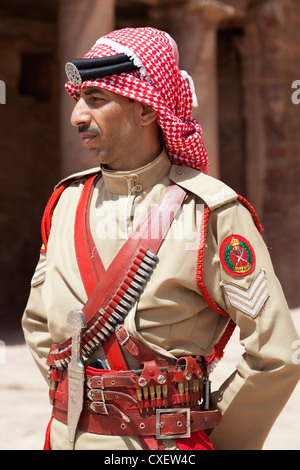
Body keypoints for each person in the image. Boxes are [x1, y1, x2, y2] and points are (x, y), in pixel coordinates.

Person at [22, 27, 300, 451]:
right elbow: (40, 326)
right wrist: (82, 411)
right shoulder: (64, 204)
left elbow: (277, 355)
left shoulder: (211, 213)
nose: (77, 116)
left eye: (96, 100)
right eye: (78, 100)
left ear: (148, 110)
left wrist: (205, 438)